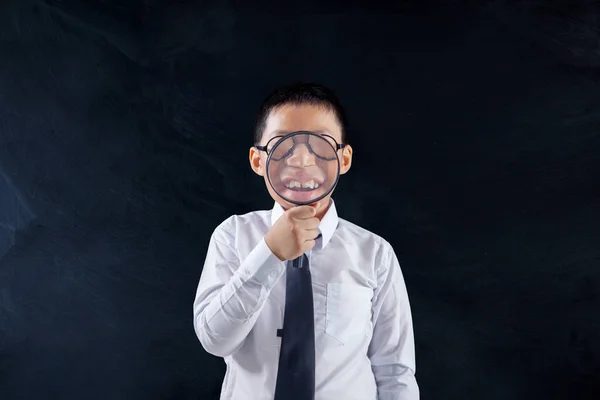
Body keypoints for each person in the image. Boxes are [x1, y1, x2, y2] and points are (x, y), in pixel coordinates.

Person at [193, 82, 419, 399]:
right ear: (259, 161)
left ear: (344, 159)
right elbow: (215, 340)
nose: (302, 160)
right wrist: (269, 253)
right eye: (283, 144)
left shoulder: (374, 253)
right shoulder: (232, 236)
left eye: (321, 145)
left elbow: (395, 371)